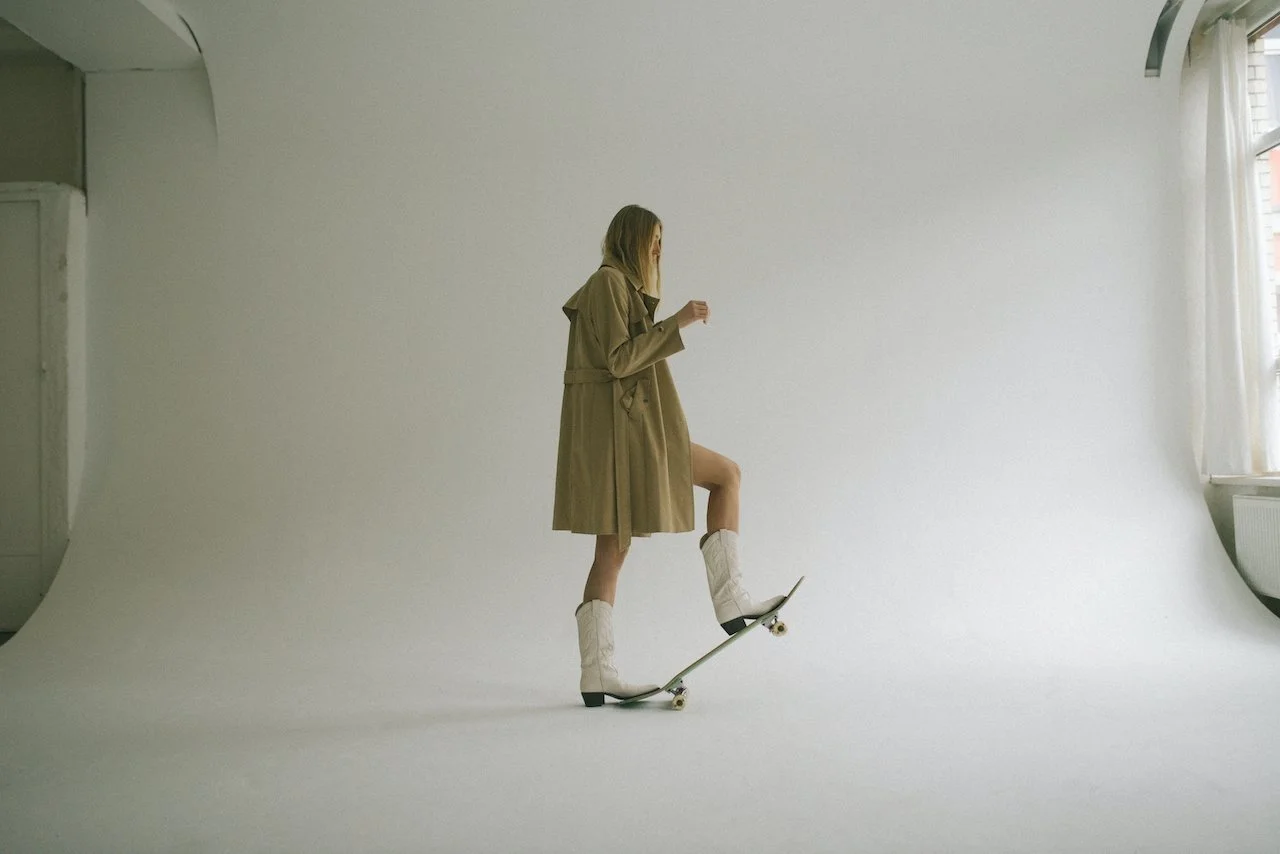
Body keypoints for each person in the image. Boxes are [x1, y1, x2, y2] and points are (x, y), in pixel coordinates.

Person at [554, 204, 784, 707]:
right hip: (626, 441)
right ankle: (726, 601)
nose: (658, 250)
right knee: (716, 481)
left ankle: (600, 671)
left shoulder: (620, 288)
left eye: (662, 242)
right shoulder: (608, 283)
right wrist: (678, 321)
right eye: (653, 240)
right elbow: (618, 362)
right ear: (631, 238)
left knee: (620, 545)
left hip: (632, 436)